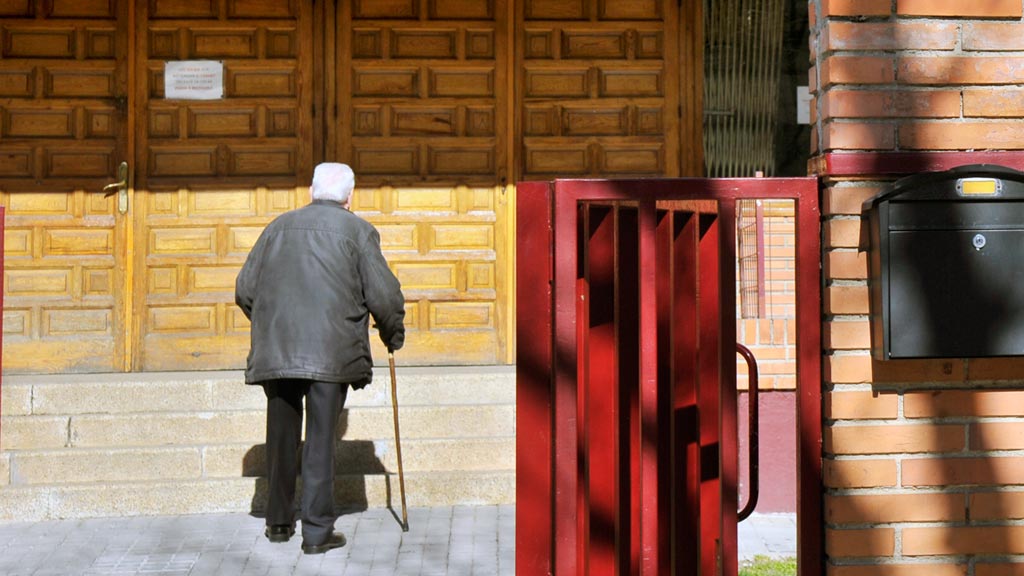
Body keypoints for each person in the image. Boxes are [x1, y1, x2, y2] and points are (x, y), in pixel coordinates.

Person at [235, 162, 405, 554]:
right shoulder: (358, 231)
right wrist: (392, 333)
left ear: (312, 191)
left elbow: (244, 289)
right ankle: (316, 532)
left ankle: (278, 523)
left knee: (280, 435)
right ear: (350, 197)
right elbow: (384, 295)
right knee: (320, 440)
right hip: (331, 351)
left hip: (278, 350)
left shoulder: (277, 228)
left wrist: (272, 325)